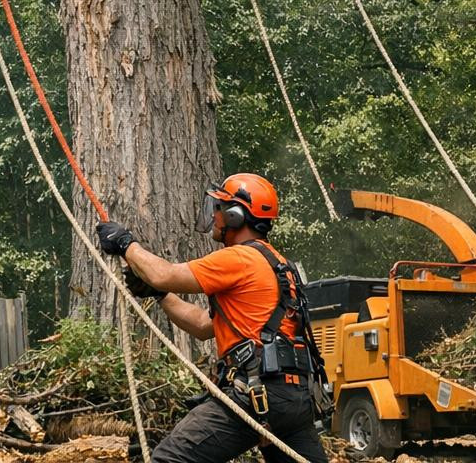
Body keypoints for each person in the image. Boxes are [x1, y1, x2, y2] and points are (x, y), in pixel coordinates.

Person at [96, 173, 326, 463]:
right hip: (294, 399)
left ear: (235, 216)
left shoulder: (239, 258)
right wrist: (160, 295)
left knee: (169, 459)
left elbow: (163, 273)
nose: (214, 216)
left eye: (219, 208)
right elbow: (204, 325)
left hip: (257, 392)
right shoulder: (278, 264)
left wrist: (125, 243)